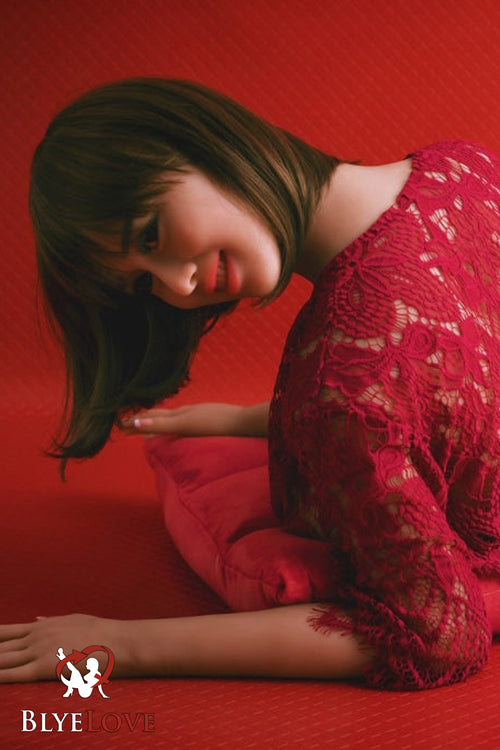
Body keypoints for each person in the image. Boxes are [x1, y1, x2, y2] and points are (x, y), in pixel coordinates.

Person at [0, 78, 499, 690]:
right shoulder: (465, 168)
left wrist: (122, 644)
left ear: (196, 143)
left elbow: (440, 634)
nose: (177, 286)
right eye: (143, 283)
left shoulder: (340, 391)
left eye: (151, 235)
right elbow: (462, 379)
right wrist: (259, 420)